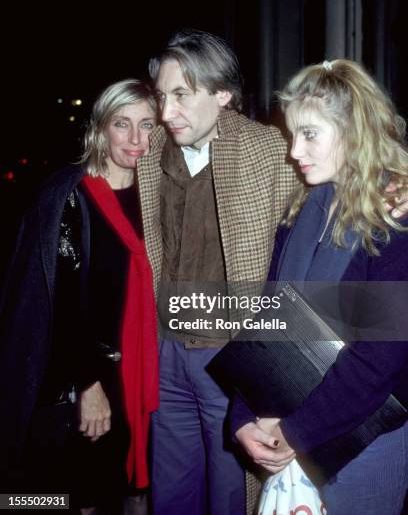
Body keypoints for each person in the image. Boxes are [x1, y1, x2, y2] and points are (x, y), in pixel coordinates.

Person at [135, 28, 300, 515]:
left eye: (182, 96)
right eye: (162, 96)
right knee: (172, 492)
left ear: (222, 94)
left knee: (233, 494)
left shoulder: (269, 152)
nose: (166, 113)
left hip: (231, 359)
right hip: (167, 351)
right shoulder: (151, 153)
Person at [232, 59, 408, 514]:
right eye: (293, 134)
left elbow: (380, 359)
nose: (294, 150)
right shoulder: (303, 211)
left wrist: (294, 431)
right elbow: (268, 320)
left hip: (364, 442)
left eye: (310, 134)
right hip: (292, 425)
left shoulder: (396, 221)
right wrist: (244, 417)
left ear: (354, 132)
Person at [0, 79, 159, 513]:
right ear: (100, 129)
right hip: (86, 371)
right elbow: (63, 303)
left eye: (147, 126)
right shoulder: (71, 195)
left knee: (136, 491)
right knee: (79, 494)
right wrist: (89, 385)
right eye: (121, 125)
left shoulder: (159, 196)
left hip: (146, 370)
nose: (136, 140)